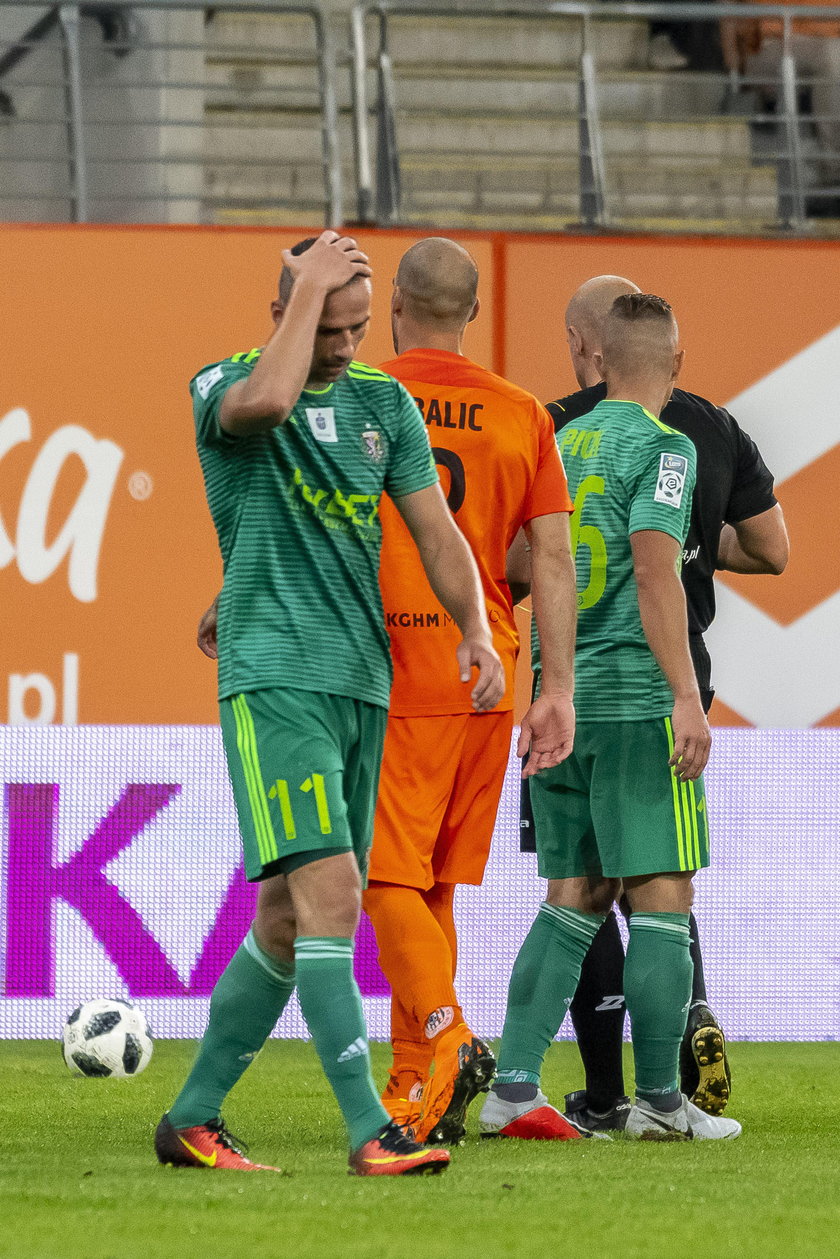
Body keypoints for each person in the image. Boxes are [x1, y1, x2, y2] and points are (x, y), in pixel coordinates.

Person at [155, 229, 509, 1178]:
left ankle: (191, 1117)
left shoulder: (382, 404)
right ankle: (370, 1130)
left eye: (359, 326)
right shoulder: (222, 384)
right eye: (329, 325)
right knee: (334, 896)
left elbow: (434, 531)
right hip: (274, 677)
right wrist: (310, 286)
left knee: (282, 916)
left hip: (365, 682)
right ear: (284, 313)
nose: (349, 345)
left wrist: (474, 624)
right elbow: (267, 401)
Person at [516, 273, 788, 1132]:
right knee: (663, 895)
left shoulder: (555, 440)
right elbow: (653, 567)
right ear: (676, 359)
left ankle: (515, 1089)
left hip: (562, 694)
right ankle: (664, 1103)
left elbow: (530, 565)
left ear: (592, 355)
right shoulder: (672, 447)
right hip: (639, 696)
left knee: (573, 895)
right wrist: (686, 696)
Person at [362, 237, 578, 1147]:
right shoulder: (522, 412)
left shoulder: (360, 399)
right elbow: (556, 560)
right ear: (474, 314)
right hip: (484, 671)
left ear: (395, 304)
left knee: (377, 876)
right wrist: (555, 687)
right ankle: (415, 1079)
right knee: (434, 887)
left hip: (385, 671)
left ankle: (445, 1039)